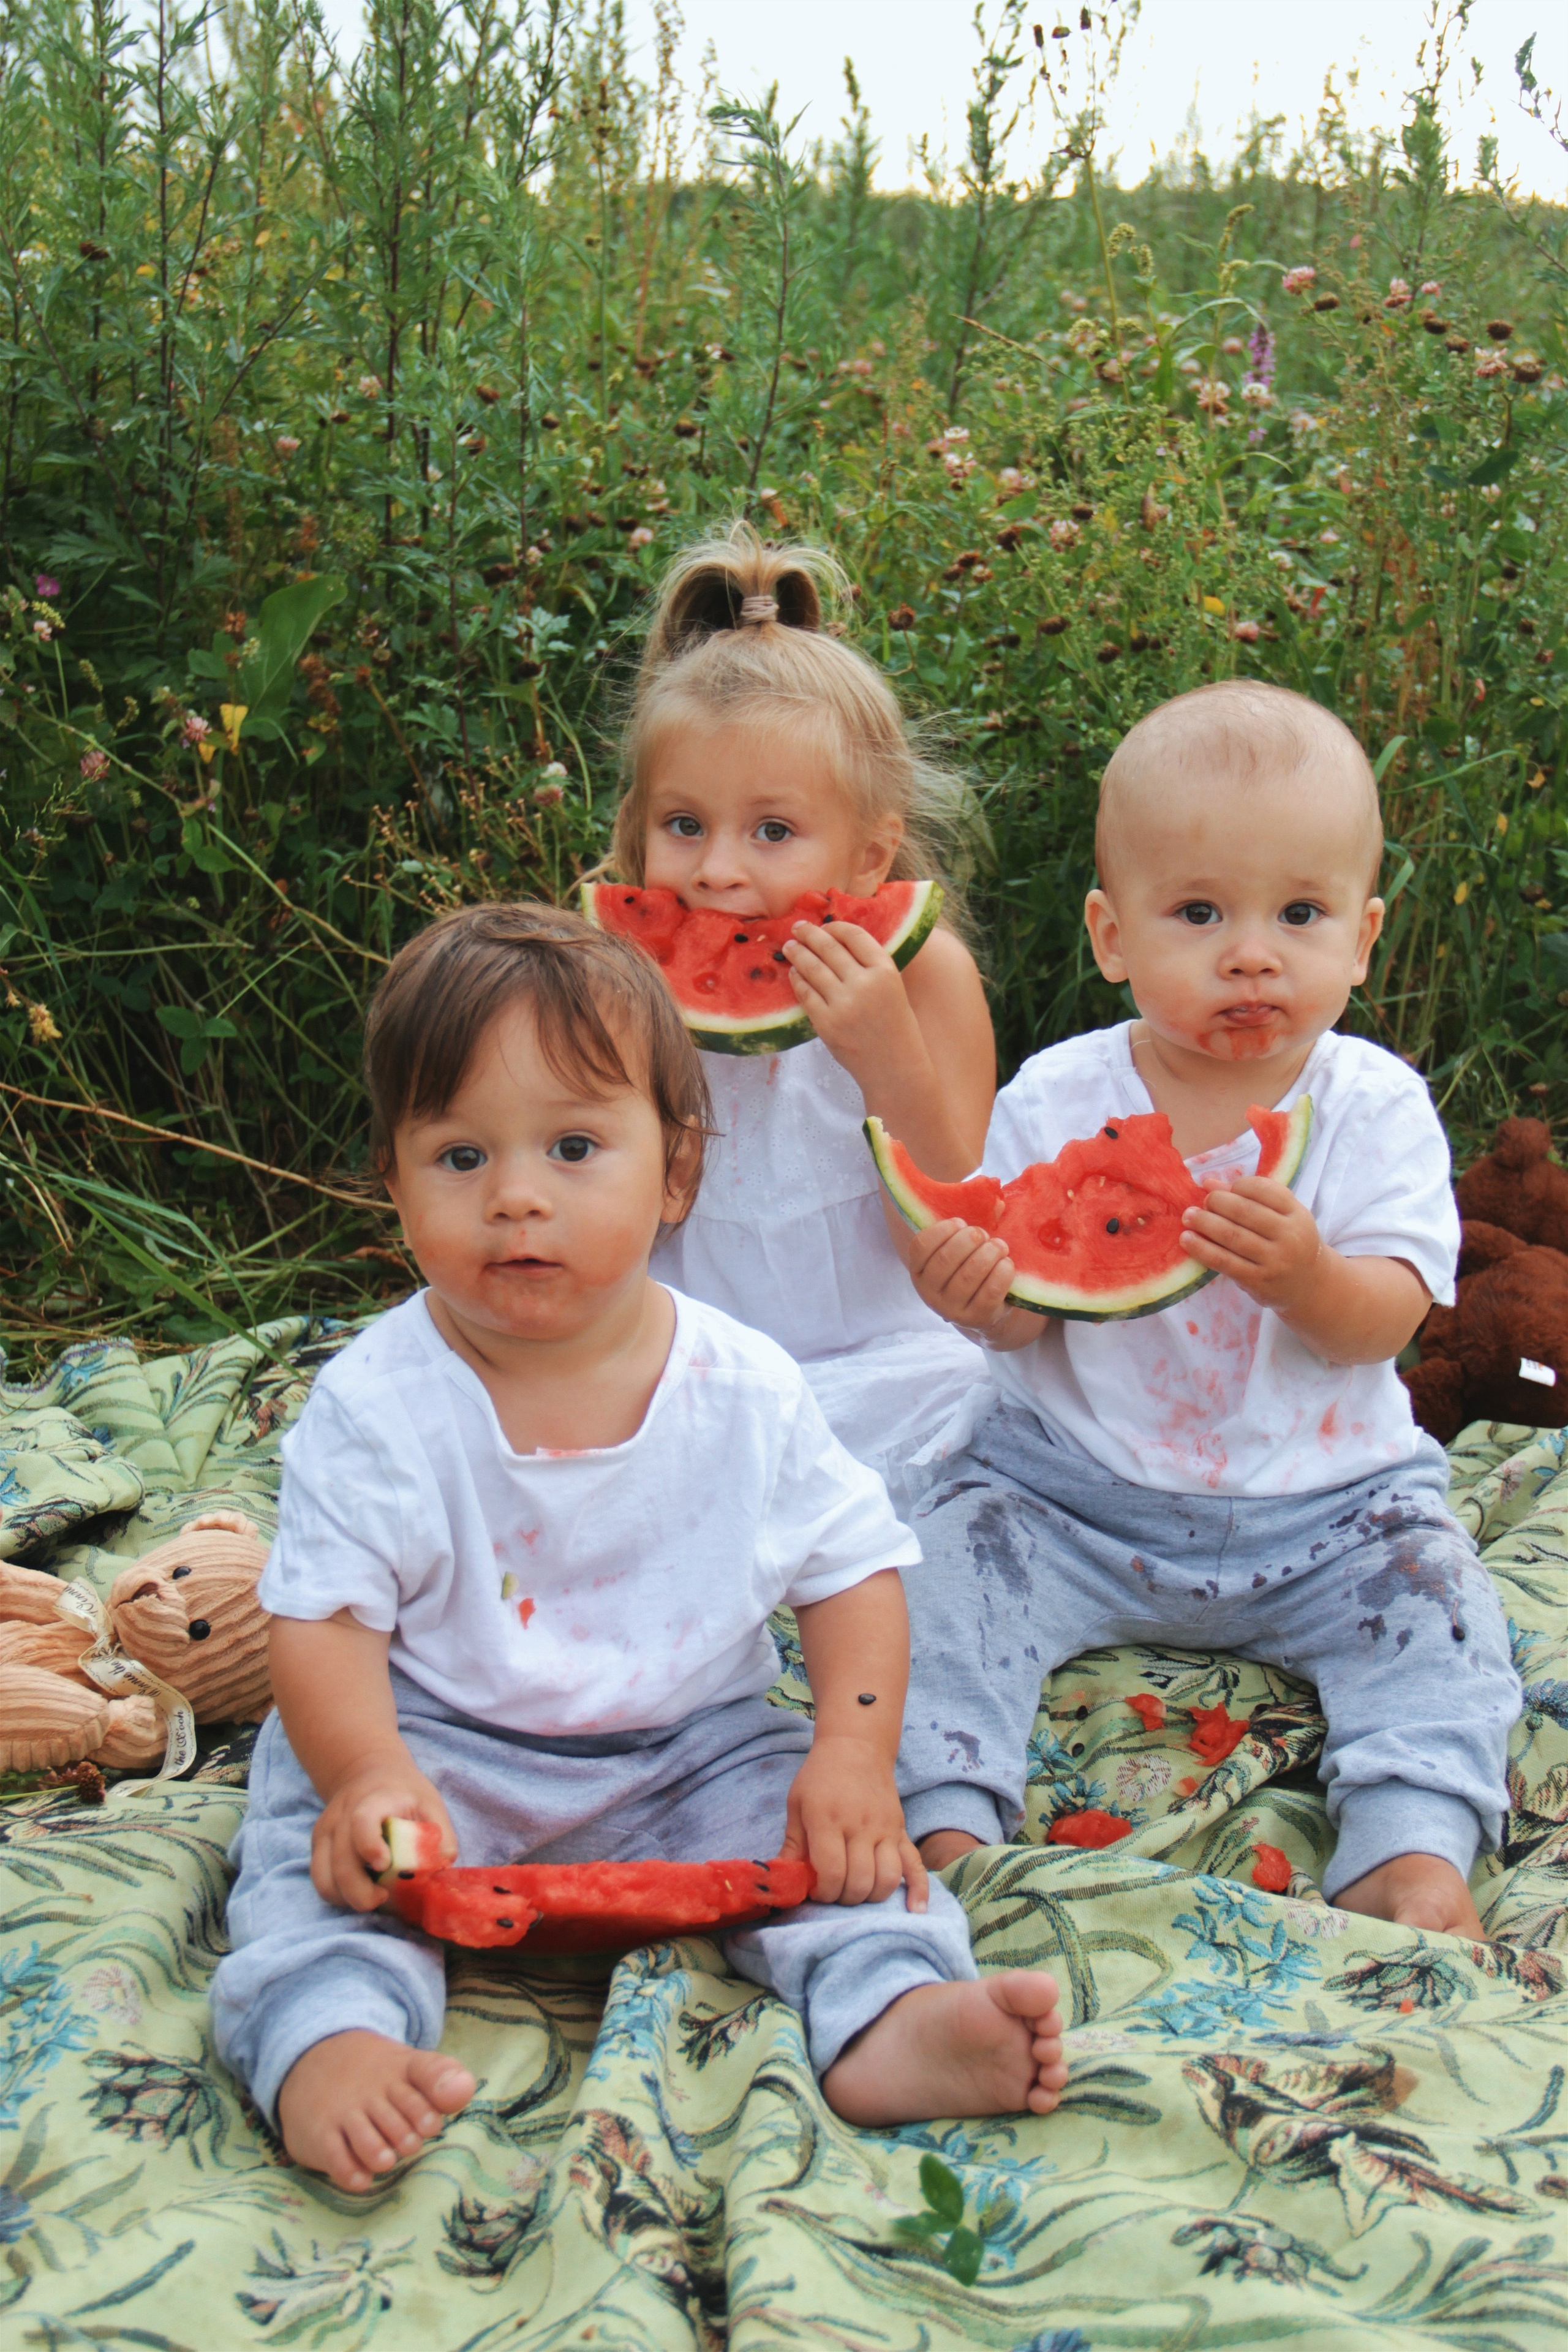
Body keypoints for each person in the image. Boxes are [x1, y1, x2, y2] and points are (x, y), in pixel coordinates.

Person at [211, 902, 1066, 2196]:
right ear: (393, 1180)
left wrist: (850, 1757)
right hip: (437, 1740)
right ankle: (328, 2037)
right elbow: (325, 1623)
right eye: (459, 1157)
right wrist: (367, 1772)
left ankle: (892, 2015)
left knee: (846, 1854)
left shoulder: (745, 1385)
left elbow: (852, 1573)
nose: (515, 1196)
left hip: (688, 1747)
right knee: (311, 1854)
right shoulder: (378, 1403)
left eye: (572, 1148)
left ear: (675, 1173)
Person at [894, 681, 1521, 1939]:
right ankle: (948, 1815)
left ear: (1363, 936)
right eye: (1197, 913)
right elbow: (1027, 1320)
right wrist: (975, 1298)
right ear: (1110, 934)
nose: (1250, 953)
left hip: (1333, 1510)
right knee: (938, 1576)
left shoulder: (1375, 1108)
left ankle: (1410, 1842)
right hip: (1067, 1494)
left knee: (1443, 1609)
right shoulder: (1053, 1099)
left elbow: (1386, 1323)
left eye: (1299, 914)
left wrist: (1310, 1278)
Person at [610, 521, 995, 1510]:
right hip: (692, 1367)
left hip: (895, 1368)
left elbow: (957, 1221)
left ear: (871, 856)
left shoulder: (930, 977)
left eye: (773, 831)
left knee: (978, 1429)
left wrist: (886, 1058)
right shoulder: (620, 973)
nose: (717, 869)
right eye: (683, 825)